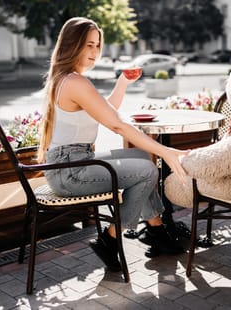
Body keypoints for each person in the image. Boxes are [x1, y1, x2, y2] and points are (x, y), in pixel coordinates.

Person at [37, 17, 189, 271]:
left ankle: (156, 230)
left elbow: (107, 111)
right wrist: (165, 151)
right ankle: (111, 238)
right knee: (149, 170)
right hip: (70, 170)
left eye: (97, 45)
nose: (95, 52)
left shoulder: (67, 79)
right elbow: (116, 124)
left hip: (72, 162)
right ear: (72, 45)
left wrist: (122, 83)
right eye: (88, 45)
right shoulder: (75, 82)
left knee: (141, 157)